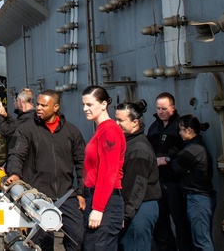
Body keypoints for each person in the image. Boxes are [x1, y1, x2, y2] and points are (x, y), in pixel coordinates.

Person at [5, 89, 86, 251]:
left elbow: (82, 163)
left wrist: (81, 192)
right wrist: (15, 173)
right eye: (38, 104)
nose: (39, 108)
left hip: (66, 195)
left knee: (77, 237)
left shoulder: (71, 131)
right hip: (38, 195)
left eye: (44, 105)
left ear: (55, 107)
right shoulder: (26, 129)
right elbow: (16, 154)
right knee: (41, 242)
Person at [80, 85, 125, 251]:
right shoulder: (101, 130)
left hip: (105, 201)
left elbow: (108, 172)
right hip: (99, 199)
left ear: (104, 104)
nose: (85, 109)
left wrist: (98, 208)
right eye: (84, 105)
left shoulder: (110, 131)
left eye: (90, 105)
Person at [148, 92, 192, 251]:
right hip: (158, 181)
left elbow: (186, 152)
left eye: (164, 109)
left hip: (175, 181)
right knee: (161, 220)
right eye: (158, 108)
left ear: (173, 108)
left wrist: (167, 159)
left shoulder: (179, 127)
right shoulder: (154, 127)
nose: (161, 112)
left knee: (180, 220)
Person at [116, 100, 161, 251]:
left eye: (121, 120)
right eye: (116, 119)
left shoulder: (138, 149)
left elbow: (136, 186)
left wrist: (125, 214)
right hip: (136, 207)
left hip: (139, 208)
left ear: (135, 123)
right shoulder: (130, 143)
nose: (117, 123)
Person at [173, 116, 216, 251]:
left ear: (189, 130)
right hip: (198, 198)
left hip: (198, 199)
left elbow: (176, 166)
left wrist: (170, 160)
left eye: (181, 130)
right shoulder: (194, 147)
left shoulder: (194, 149)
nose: (179, 133)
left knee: (202, 240)